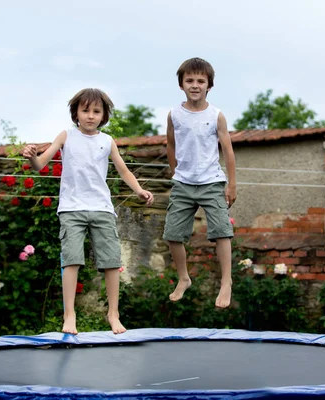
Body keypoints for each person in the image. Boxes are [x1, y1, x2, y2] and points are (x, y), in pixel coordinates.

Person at [22, 88, 154, 335]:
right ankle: (69, 315)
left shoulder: (107, 141)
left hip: (102, 209)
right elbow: (41, 163)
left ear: (103, 116)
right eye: (85, 110)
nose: (90, 116)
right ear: (76, 113)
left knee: (111, 262)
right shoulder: (66, 136)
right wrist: (32, 157)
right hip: (71, 209)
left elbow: (124, 171)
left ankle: (113, 314)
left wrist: (138, 190)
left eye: (96, 111)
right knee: (71, 259)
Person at [164, 57, 237, 308]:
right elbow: (171, 144)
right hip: (183, 183)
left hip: (211, 182)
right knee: (173, 234)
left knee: (221, 232)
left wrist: (232, 184)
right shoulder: (174, 114)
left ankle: (226, 282)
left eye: (200, 81)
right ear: (181, 84)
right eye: (190, 80)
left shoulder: (216, 115)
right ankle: (184, 278)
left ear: (209, 85)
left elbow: (227, 150)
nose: (195, 85)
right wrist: (175, 173)